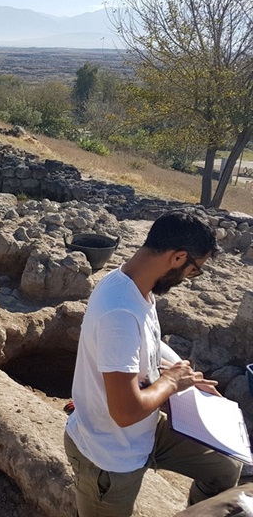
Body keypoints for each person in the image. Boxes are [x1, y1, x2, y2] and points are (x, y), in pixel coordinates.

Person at [64, 211, 242, 516]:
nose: (189, 279)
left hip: (143, 431)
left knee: (224, 468)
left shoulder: (134, 286)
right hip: (110, 454)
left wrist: (183, 373)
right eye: (194, 270)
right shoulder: (119, 312)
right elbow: (125, 412)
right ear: (178, 258)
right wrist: (171, 383)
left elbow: (145, 344)